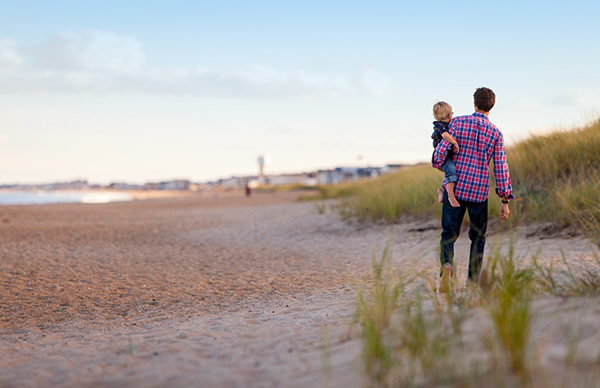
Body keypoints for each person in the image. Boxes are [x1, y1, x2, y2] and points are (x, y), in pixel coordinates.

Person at [432, 87, 513, 293]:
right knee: (478, 237)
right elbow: (501, 168)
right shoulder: (496, 133)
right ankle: (473, 282)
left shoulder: (457, 123)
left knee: (448, 234)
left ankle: (447, 266)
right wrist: (504, 200)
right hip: (478, 192)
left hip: (456, 189)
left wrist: (440, 162)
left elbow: (439, 154)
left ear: (474, 103)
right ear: (491, 106)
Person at [431, 101, 460, 207]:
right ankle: (450, 196)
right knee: (451, 170)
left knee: (450, 172)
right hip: (440, 157)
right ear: (449, 115)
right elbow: (445, 135)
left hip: (444, 156)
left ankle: (442, 190)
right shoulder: (441, 126)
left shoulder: (442, 124)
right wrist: (454, 142)